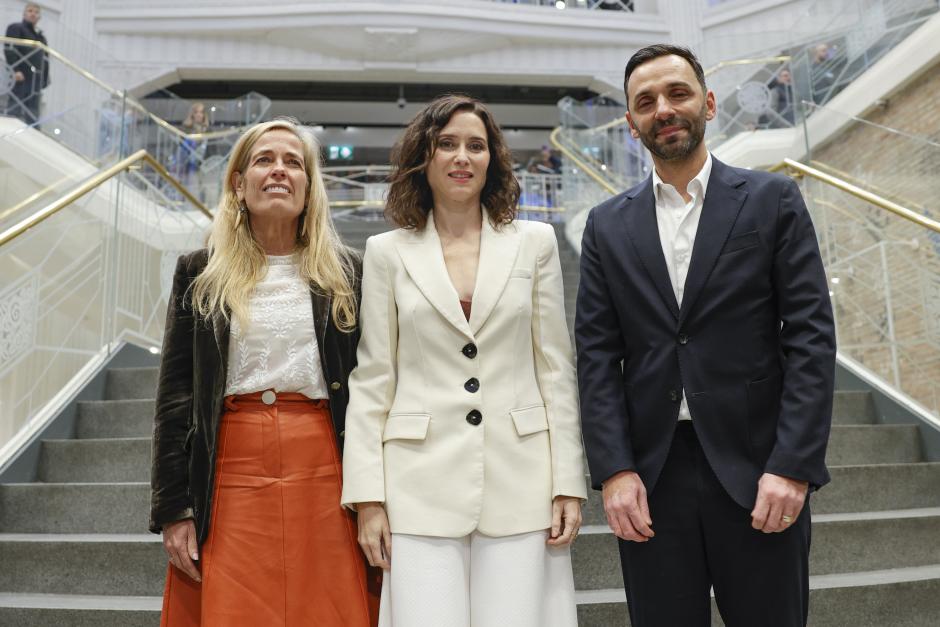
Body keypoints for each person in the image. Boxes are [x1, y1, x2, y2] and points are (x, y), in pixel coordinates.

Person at [576, 44, 835, 627]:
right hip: (652, 482)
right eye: (646, 102)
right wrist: (614, 470)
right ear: (631, 122)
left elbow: (811, 338)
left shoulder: (773, 200)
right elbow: (595, 357)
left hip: (758, 469)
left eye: (677, 93)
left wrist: (793, 464)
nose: (663, 109)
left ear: (708, 102)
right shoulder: (605, 225)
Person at [341, 94, 586, 627]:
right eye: (446, 144)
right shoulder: (387, 252)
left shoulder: (535, 243)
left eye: (476, 146)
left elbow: (555, 370)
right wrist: (367, 498)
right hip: (417, 484)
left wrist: (568, 479)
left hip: (522, 477)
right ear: (423, 158)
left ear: (492, 161)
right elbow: (374, 377)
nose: (462, 157)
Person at [150, 117, 378, 627]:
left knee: (329, 612)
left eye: (293, 162)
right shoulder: (198, 272)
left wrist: (375, 497)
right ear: (238, 183)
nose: (279, 171)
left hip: (326, 469)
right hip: (228, 471)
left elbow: (375, 389)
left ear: (309, 185)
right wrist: (173, 508)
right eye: (264, 160)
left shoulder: (351, 274)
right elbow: (174, 398)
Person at [4, 2, 49, 126]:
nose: (33, 14)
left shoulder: (41, 38)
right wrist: (15, 70)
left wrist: (44, 80)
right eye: (30, 11)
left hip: (35, 81)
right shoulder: (16, 28)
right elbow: (10, 49)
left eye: (36, 12)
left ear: (39, 17)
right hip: (21, 76)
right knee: (15, 107)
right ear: (24, 14)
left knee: (33, 113)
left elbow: (45, 59)